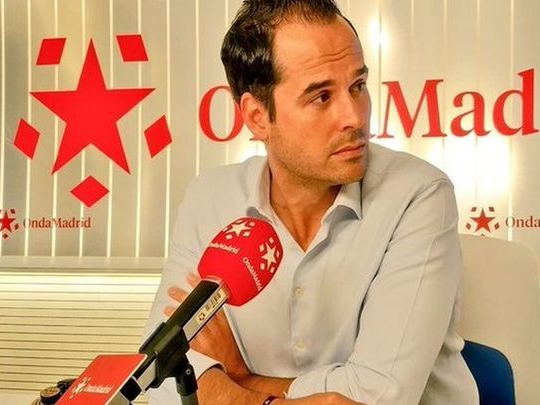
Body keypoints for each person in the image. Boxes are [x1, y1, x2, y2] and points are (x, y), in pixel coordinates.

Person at [144, 1, 478, 404]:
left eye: (358, 86)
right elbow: (160, 377)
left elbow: (374, 396)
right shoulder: (209, 199)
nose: (354, 116)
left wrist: (239, 381)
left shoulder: (419, 194)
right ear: (257, 116)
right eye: (321, 97)